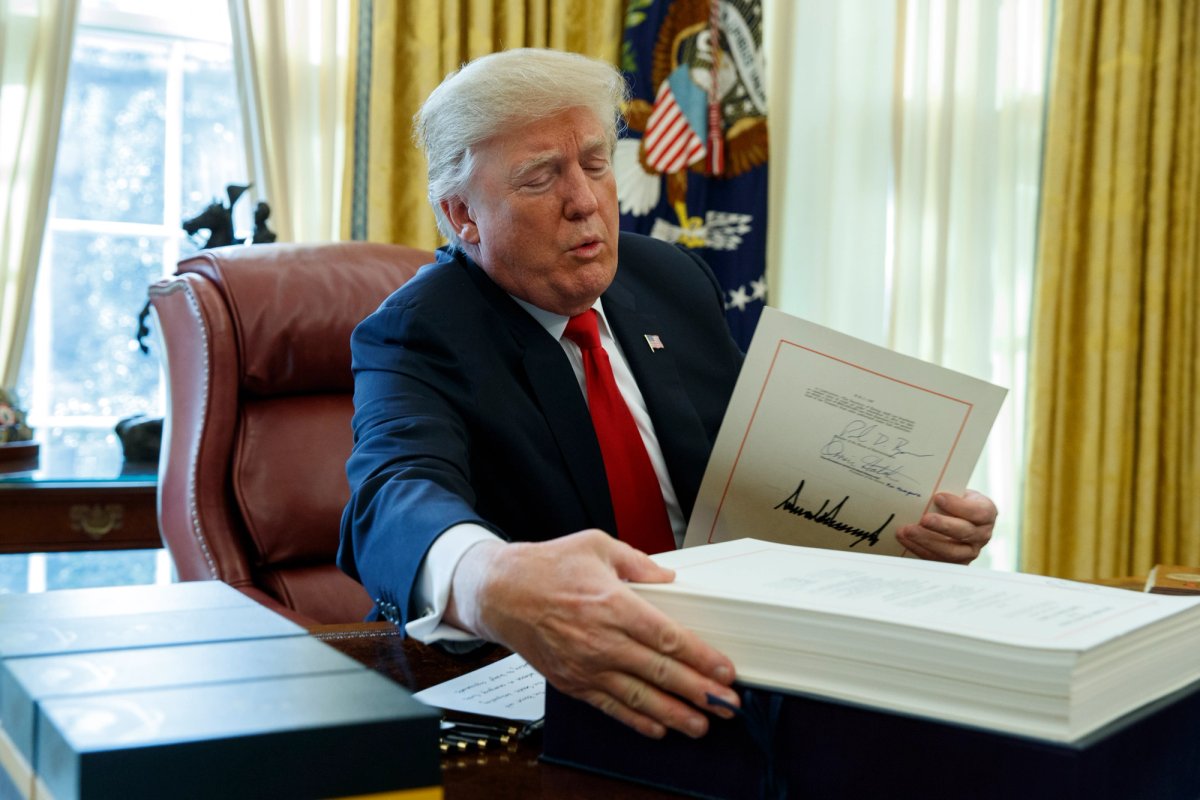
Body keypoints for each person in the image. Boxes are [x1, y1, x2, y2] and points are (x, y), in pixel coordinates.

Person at [338, 48, 998, 742]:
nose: (585, 201)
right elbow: (390, 496)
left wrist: (906, 516)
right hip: (575, 692)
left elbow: (765, 467)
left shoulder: (669, 280)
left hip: (745, 661)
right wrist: (485, 576)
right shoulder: (416, 334)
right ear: (462, 215)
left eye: (596, 164)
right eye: (540, 178)